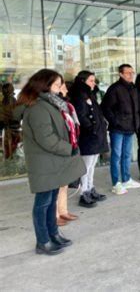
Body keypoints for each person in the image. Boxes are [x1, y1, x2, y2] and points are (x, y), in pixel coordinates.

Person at [16, 69, 85, 255]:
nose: (60, 88)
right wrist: (69, 148)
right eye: (56, 84)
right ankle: (43, 241)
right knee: (43, 204)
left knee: (51, 201)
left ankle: (53, 234)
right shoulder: (37, 107)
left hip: (53, 161)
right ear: (44, 85)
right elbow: (46, 138)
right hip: (44, 163)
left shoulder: (51, 103)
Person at [69, 70, 109, 208]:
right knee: (86, 166)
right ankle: (83, 193)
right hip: (89, 136)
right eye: (91, 80)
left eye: (94, 80)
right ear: (82, 81)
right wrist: (92, 129)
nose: (94, 83)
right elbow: (82, 116)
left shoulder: (89, 94)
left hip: (95, 134)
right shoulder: (79, 95)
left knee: (92, 165)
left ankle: (90, 188)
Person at [101, 64, 140, 195]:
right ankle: (116, 183)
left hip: (130, 127)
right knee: (116, 155)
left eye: (132, 72)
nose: (131, 75)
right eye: (128, 73)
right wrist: (116, 122)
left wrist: (137, 123)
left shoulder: (134, 88)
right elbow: (105, 108)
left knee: (127, 155)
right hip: (118, 129)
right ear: (121, 74)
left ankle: (126, 179)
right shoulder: (115, 89)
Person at [55, 81, 81, 225]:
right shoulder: (54, 107)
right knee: (56, 185)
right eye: (61, 86)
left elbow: (73, 126)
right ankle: (55, 215)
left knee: (64, 183)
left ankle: (63, 211)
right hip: (60, 149)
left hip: (70, 146)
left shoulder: (67, 105)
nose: (65, 88)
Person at [0, 83, 21, 159]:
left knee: (7, 146)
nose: (13, 88)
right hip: (12, 126)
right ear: (9, 90)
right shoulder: (12, 100)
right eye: (12, 87)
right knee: (12, 146)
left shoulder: (3, 100)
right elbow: (15, 113)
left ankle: (8, 157)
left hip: (5, 125)